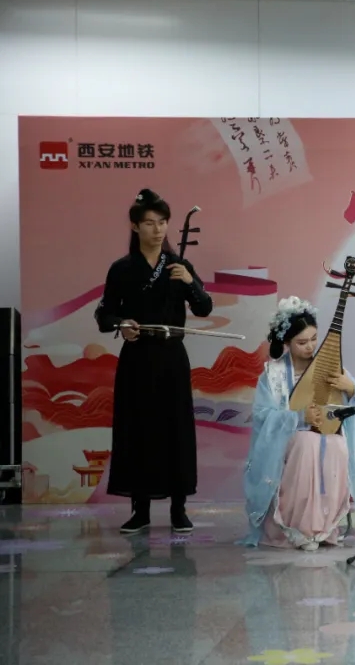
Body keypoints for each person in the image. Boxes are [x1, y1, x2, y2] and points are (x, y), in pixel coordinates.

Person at [94, 188, 214, 534]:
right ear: (135, 226)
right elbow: (104, 315)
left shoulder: (179, 266)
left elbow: (204, 307)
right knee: (138, 429)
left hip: (172, 357)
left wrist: (191, 283)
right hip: (137, 357)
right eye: (149, 223)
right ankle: (140, 509)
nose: (158, 229)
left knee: (176, 429)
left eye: (162, 222)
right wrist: (122, 324)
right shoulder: (122, 269)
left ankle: (179, 508)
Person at [239, 297, 355, 550]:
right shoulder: (273, 374)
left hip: (326, 436)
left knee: (337, 446)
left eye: (314, 339)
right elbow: (262, 415)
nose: (310, 346)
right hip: (290, 439)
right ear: (287, 342)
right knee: (307, 441)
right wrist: (299, 417)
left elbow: (353, 407)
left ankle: (325, 527)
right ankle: (297, 528)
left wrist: (351, 390)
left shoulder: (328, 367)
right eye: (302, 342)